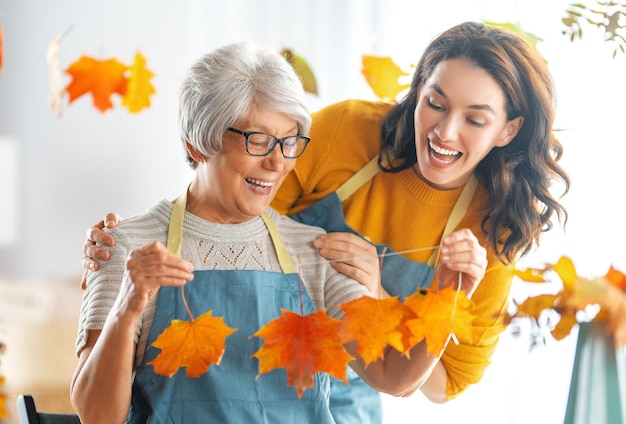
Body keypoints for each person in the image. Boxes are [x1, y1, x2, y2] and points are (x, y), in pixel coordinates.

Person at [80, 21, 570, 423]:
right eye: (257, 141)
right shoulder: (130, 251)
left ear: (509, 130)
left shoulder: (317, 254)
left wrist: (446, 293)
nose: (277, 162)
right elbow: (232, 208)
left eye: (290, 143)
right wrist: (127, 299)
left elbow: (400, 379)